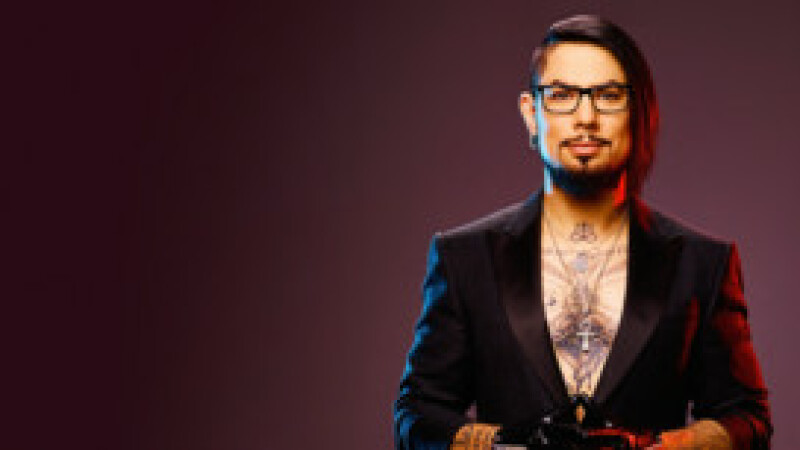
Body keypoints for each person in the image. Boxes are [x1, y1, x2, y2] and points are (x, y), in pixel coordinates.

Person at [393, 14, 772, 450]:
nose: (586, 117)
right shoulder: (465, 258)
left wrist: (659, 447)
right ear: (531, 113)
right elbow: (417, 414)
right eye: (561, 95)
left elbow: (749, 419)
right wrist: (505, 443)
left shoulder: (702, 264)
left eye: (608, 96)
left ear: (639, 112)